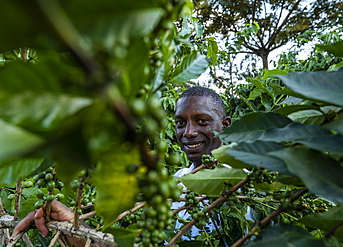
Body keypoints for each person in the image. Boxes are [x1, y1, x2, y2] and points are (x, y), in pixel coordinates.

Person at [10, 86, 232, 245]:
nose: (189, 132)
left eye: (202, 121)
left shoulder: (252, 186)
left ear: (225, 125)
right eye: (180, 123)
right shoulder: (175, 186)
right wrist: (71, 222)